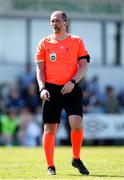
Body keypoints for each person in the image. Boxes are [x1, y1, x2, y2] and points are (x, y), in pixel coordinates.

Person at [35, 11, 90, 175]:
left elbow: (83, 66)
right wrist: (42, 88)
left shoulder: (76, 41)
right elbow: (40, 70)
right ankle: (50, 166)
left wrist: (73, 82)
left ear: (65, 22)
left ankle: (76, 158)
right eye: (52, 21)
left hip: (71, 89)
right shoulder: (44, 42)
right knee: (50, 129)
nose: (54, 23)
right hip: (51, 90)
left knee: (77, 125)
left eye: (58, 20)